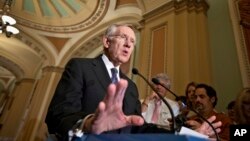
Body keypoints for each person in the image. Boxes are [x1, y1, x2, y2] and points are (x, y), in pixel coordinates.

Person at [45, 24, 222, 141]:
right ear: (107, 41)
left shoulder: (131, 86)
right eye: (123, 38)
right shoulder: (80, 67)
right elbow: (58, 115)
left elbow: (141, 128)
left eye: (132, 41)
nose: (129, 45)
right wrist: (89, 123)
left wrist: (189, 134)